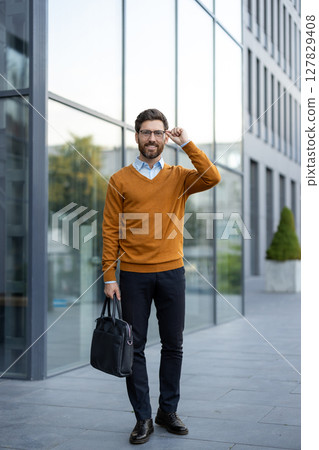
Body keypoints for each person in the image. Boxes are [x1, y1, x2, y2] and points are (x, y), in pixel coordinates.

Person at [102, 108, 221, 445]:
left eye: (158, 133)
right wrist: (110, 276)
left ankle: (167, 411)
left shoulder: (180, 176)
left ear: (165, 137)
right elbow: (110, 230)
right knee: (133, 348)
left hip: (172, 272)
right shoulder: (120, 180)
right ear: (137, 136)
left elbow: (212, 177)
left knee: (174, 345)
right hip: (133, 278)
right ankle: (142, 418)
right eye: (145, 132)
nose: (151, 138)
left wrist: (188, 144)